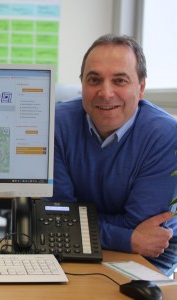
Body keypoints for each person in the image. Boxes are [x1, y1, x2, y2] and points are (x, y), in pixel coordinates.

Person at [50, 34, 177, 276]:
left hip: (153, 248)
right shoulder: (56, 124)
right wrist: (127, 237)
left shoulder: (167, 136)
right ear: (82, 85)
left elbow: (141, 227)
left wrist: (74, 220)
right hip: (110, 240)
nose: (106, 93)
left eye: (119, 80)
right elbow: (58, 217)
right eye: (94, 80)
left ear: (140, 88)